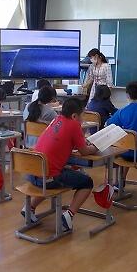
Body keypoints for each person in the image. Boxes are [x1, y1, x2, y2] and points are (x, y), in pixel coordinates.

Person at [25, 98, 98, 232]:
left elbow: (61, 140)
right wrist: (96, 147)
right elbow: (84, 151)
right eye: (82, 114)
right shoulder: (74, 125)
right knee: (87, 182)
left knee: (53, 173)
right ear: (74, 116)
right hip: (47, 178)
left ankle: (29, 208)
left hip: (33, 172)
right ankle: (68, 216)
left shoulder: (56, 120)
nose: (83, 118)